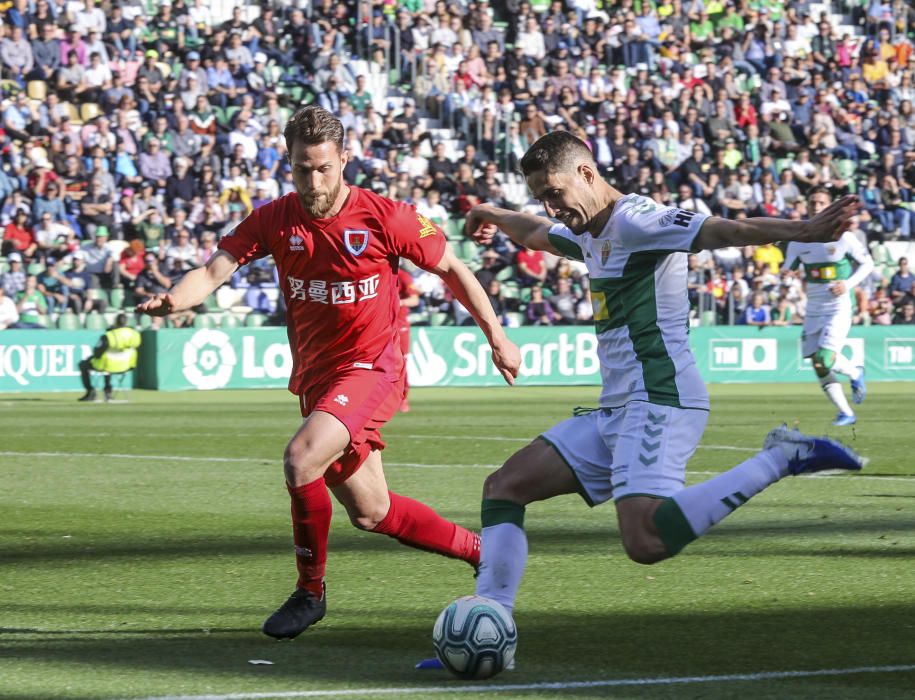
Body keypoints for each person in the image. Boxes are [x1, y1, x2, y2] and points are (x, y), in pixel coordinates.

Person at [450, 131, 863, 639]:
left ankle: (783, 457)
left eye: (554, 192)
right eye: (541, 196)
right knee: (504, 487)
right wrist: (491, 212)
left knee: (644, 539)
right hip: (616, 409)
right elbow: (535, 233)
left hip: (661, 399)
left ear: (586, 173)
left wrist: (804, 228)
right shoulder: (585, 229)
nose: (550, 206)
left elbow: (723, 230)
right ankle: (490, 620)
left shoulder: (638, 219)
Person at [137, 106, 521, 640]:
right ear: (287, 164)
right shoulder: (274, 220)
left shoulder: (386, 216)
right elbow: (214, 269)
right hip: (319, 379)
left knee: (300, 459)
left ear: (344, 159)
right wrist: (174, 299)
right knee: (374, 512)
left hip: (373, 369)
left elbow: (453, 268)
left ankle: (309, 592)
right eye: (301, 169)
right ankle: (483, 554)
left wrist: (496, 335)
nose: (313, 180)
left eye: (323, 168)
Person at [783, 187, 874, 426]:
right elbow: (788, 270)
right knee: (817, 364)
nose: (816, 205)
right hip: (813, 307)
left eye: (821, 202)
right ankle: (846, 412)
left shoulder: (843, 235)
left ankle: (855, 372)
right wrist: (786, 278)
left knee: (824, 357)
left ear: (829, 206)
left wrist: (848, 283)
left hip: (838, 305)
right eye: (812, 201)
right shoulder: (798, 238)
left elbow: (868, 264)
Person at [77, 312, 142, 402]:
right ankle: (108, 392)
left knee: (83, 364)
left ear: (115, 322)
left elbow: (97, 352)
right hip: (127, 365)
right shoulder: (135, 334)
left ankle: (91, 392)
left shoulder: (109, 335)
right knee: (107, 365)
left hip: (107, 365)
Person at [396, 265, 420, 413]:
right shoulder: (373, 271)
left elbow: (414, 299)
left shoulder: (402, 275)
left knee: (401, 362)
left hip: (399, 325)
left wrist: (400, 302)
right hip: (379, 324)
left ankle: (403, 398)